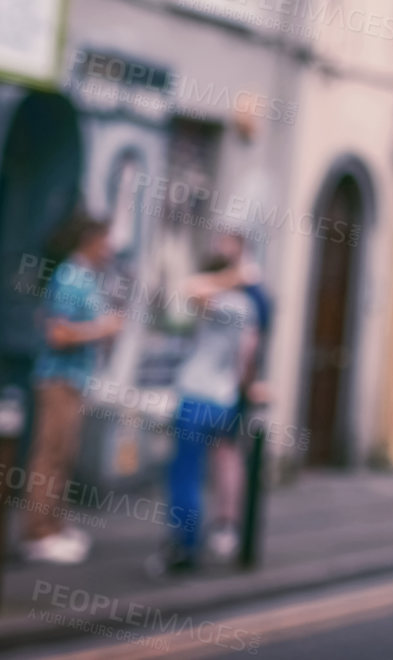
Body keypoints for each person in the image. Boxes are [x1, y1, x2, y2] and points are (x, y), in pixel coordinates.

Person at [149, 234, 257, 575]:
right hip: (224, 398)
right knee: (222, 467)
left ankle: (185, 546)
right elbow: (247, 357)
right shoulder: (246, 307)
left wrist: (228, 278)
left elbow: (188, 288)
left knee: (186, 477)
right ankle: (226, 530)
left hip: (197, 398)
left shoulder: (219, 300)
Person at [25, 214, 121, 564]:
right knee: (50, 456)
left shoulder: (86, 278)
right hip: (59, 380)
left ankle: (55, 525)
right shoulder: (71, 278)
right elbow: (58, 333)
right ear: (91, 241)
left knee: (64, 455)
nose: (110, 248)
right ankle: (39, 533)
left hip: (74, 381)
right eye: (106, 240)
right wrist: (103, 329)